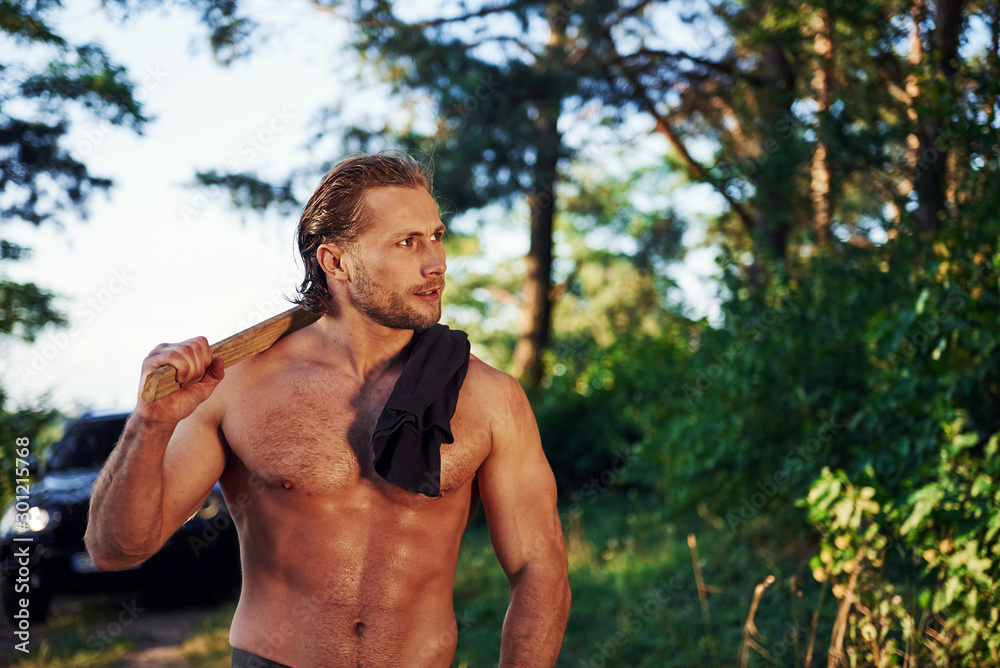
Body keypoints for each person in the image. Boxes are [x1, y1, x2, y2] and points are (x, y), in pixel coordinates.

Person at [84, 153, 571, 667]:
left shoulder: (488, 396)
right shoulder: (238, 387)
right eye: (407, 242)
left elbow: (538, 568)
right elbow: (116, 549)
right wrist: (149, 424)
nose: (437, 263)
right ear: (335, 262)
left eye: (436, 236)